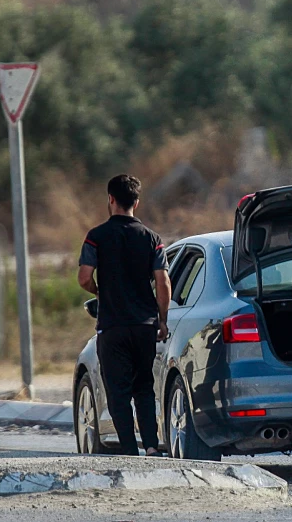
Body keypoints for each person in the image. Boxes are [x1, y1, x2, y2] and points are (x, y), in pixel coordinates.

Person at [77, 174, 171, 456]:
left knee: (118, 392)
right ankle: (151, 446)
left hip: (112, 327)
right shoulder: (152, 238)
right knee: (144, 387)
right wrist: (162, 320)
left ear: (111, 199)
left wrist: (99, 291)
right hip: (144, 326)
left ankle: (130, 449)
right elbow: (163, 282)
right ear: (136, 203)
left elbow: (84, 277)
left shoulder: (96, 237)